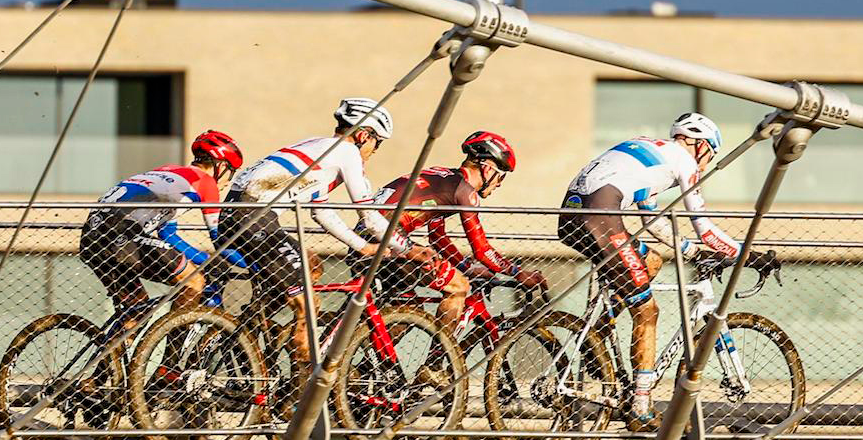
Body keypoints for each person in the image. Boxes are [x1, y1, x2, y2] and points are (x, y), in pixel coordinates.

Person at [559, 113, 769, 426]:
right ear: (698, 145)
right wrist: (748, 256)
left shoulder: (651, 150)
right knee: (648, 311)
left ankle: (599, 334)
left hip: (570, 220)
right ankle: (641, 408)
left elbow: (651, 221)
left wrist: (688, 251)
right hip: (600, 220)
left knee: (652, 260)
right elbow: (706, 230)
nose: (707, 163)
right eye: (710, 155)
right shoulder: (684, 161)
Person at [219, 98, 396, 369]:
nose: (376, 150)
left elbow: (320, 211)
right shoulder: (347, 152)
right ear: (363, 134)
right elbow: (369, 216)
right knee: (309, 304)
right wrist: (406, 248)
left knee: (311, 265)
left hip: (239, 216)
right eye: (378, 142)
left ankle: (259, 327)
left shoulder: (320, 147)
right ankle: (299, 388)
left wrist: (361, 246)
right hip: (255, 220)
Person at [366, 130, 544, 335]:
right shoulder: (465, 191)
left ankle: (366, 366)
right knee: (458, 287)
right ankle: (438, 362)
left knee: (409, 312)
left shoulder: (443, 177)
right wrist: (517, 272)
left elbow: (438, 238)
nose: (500, 183)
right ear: (486, 168)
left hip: (368, 238)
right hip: (389, 241)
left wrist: (466, 267)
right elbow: (481, 249)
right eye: (501, 174)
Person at [82, 130, 243, 328]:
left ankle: (110, 355)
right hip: (122, 235)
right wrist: (252, 264)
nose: (229, 180)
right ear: (221, 165)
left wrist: (204, 259)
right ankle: (172, 357)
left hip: (92, 237)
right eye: (232, 172)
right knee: (194, 283)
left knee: (137, 311)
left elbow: (168, 235)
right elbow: (221, 240)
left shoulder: (169, 171)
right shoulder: (205, 181)